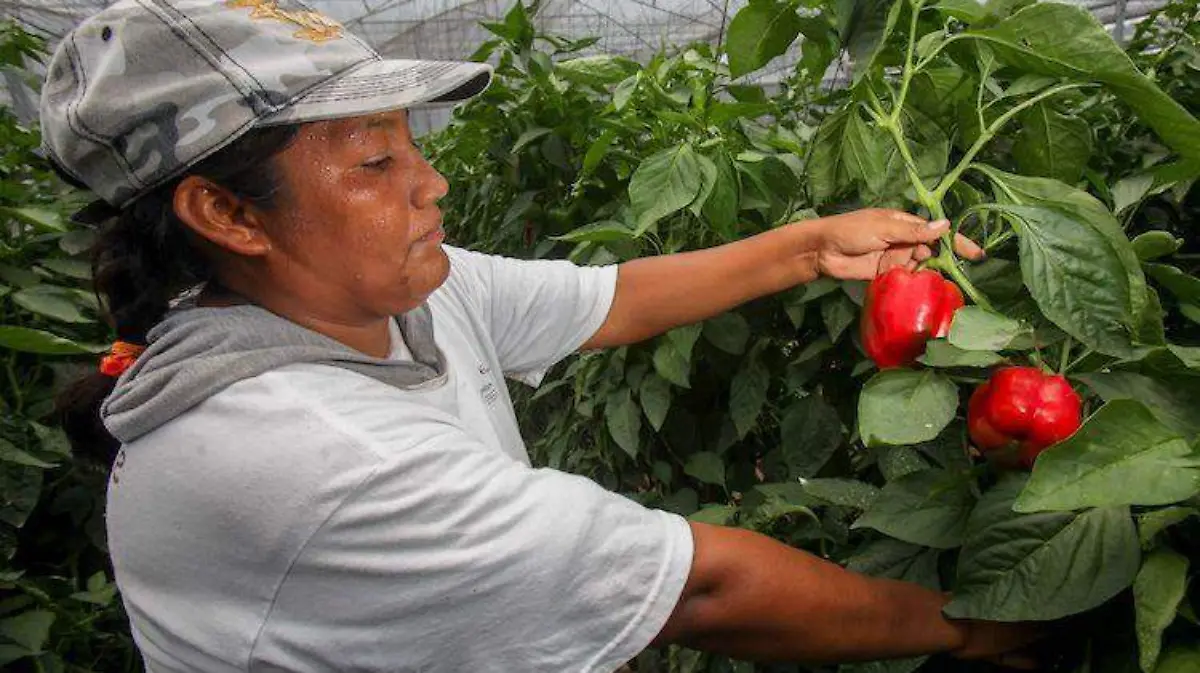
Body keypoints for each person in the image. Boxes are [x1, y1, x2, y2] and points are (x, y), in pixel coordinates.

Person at [44, 2, 1037, 672]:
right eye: (375, 161)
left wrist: (812, 246)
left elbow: (608, 297)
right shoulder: (304, 453)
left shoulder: (376, 293)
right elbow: (707, 587)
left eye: (411, 144)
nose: (430, 182)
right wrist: (975, 628)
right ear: (227, 213)